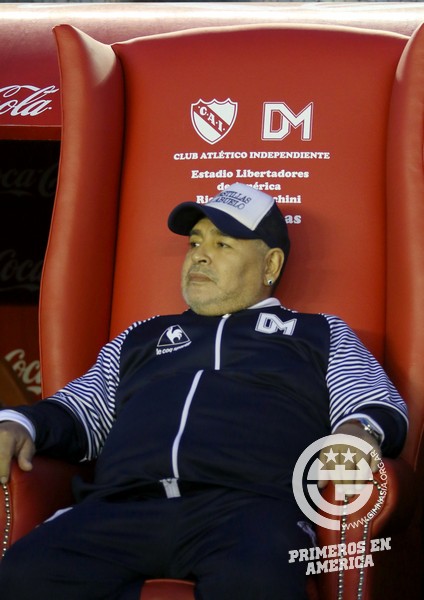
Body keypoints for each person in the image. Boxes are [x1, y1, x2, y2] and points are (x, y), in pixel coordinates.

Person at [0, 183, 408, 599]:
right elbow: (79, 411)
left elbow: (372, 402)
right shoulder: (142, 336)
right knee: (23, 574)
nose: (199, 255)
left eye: (222, 244)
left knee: (255, 584)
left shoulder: (317, 333)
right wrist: (19, 423)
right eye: (195, 242)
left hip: (250, 508)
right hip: (123, 505)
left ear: (270, 264)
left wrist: (358, 432)